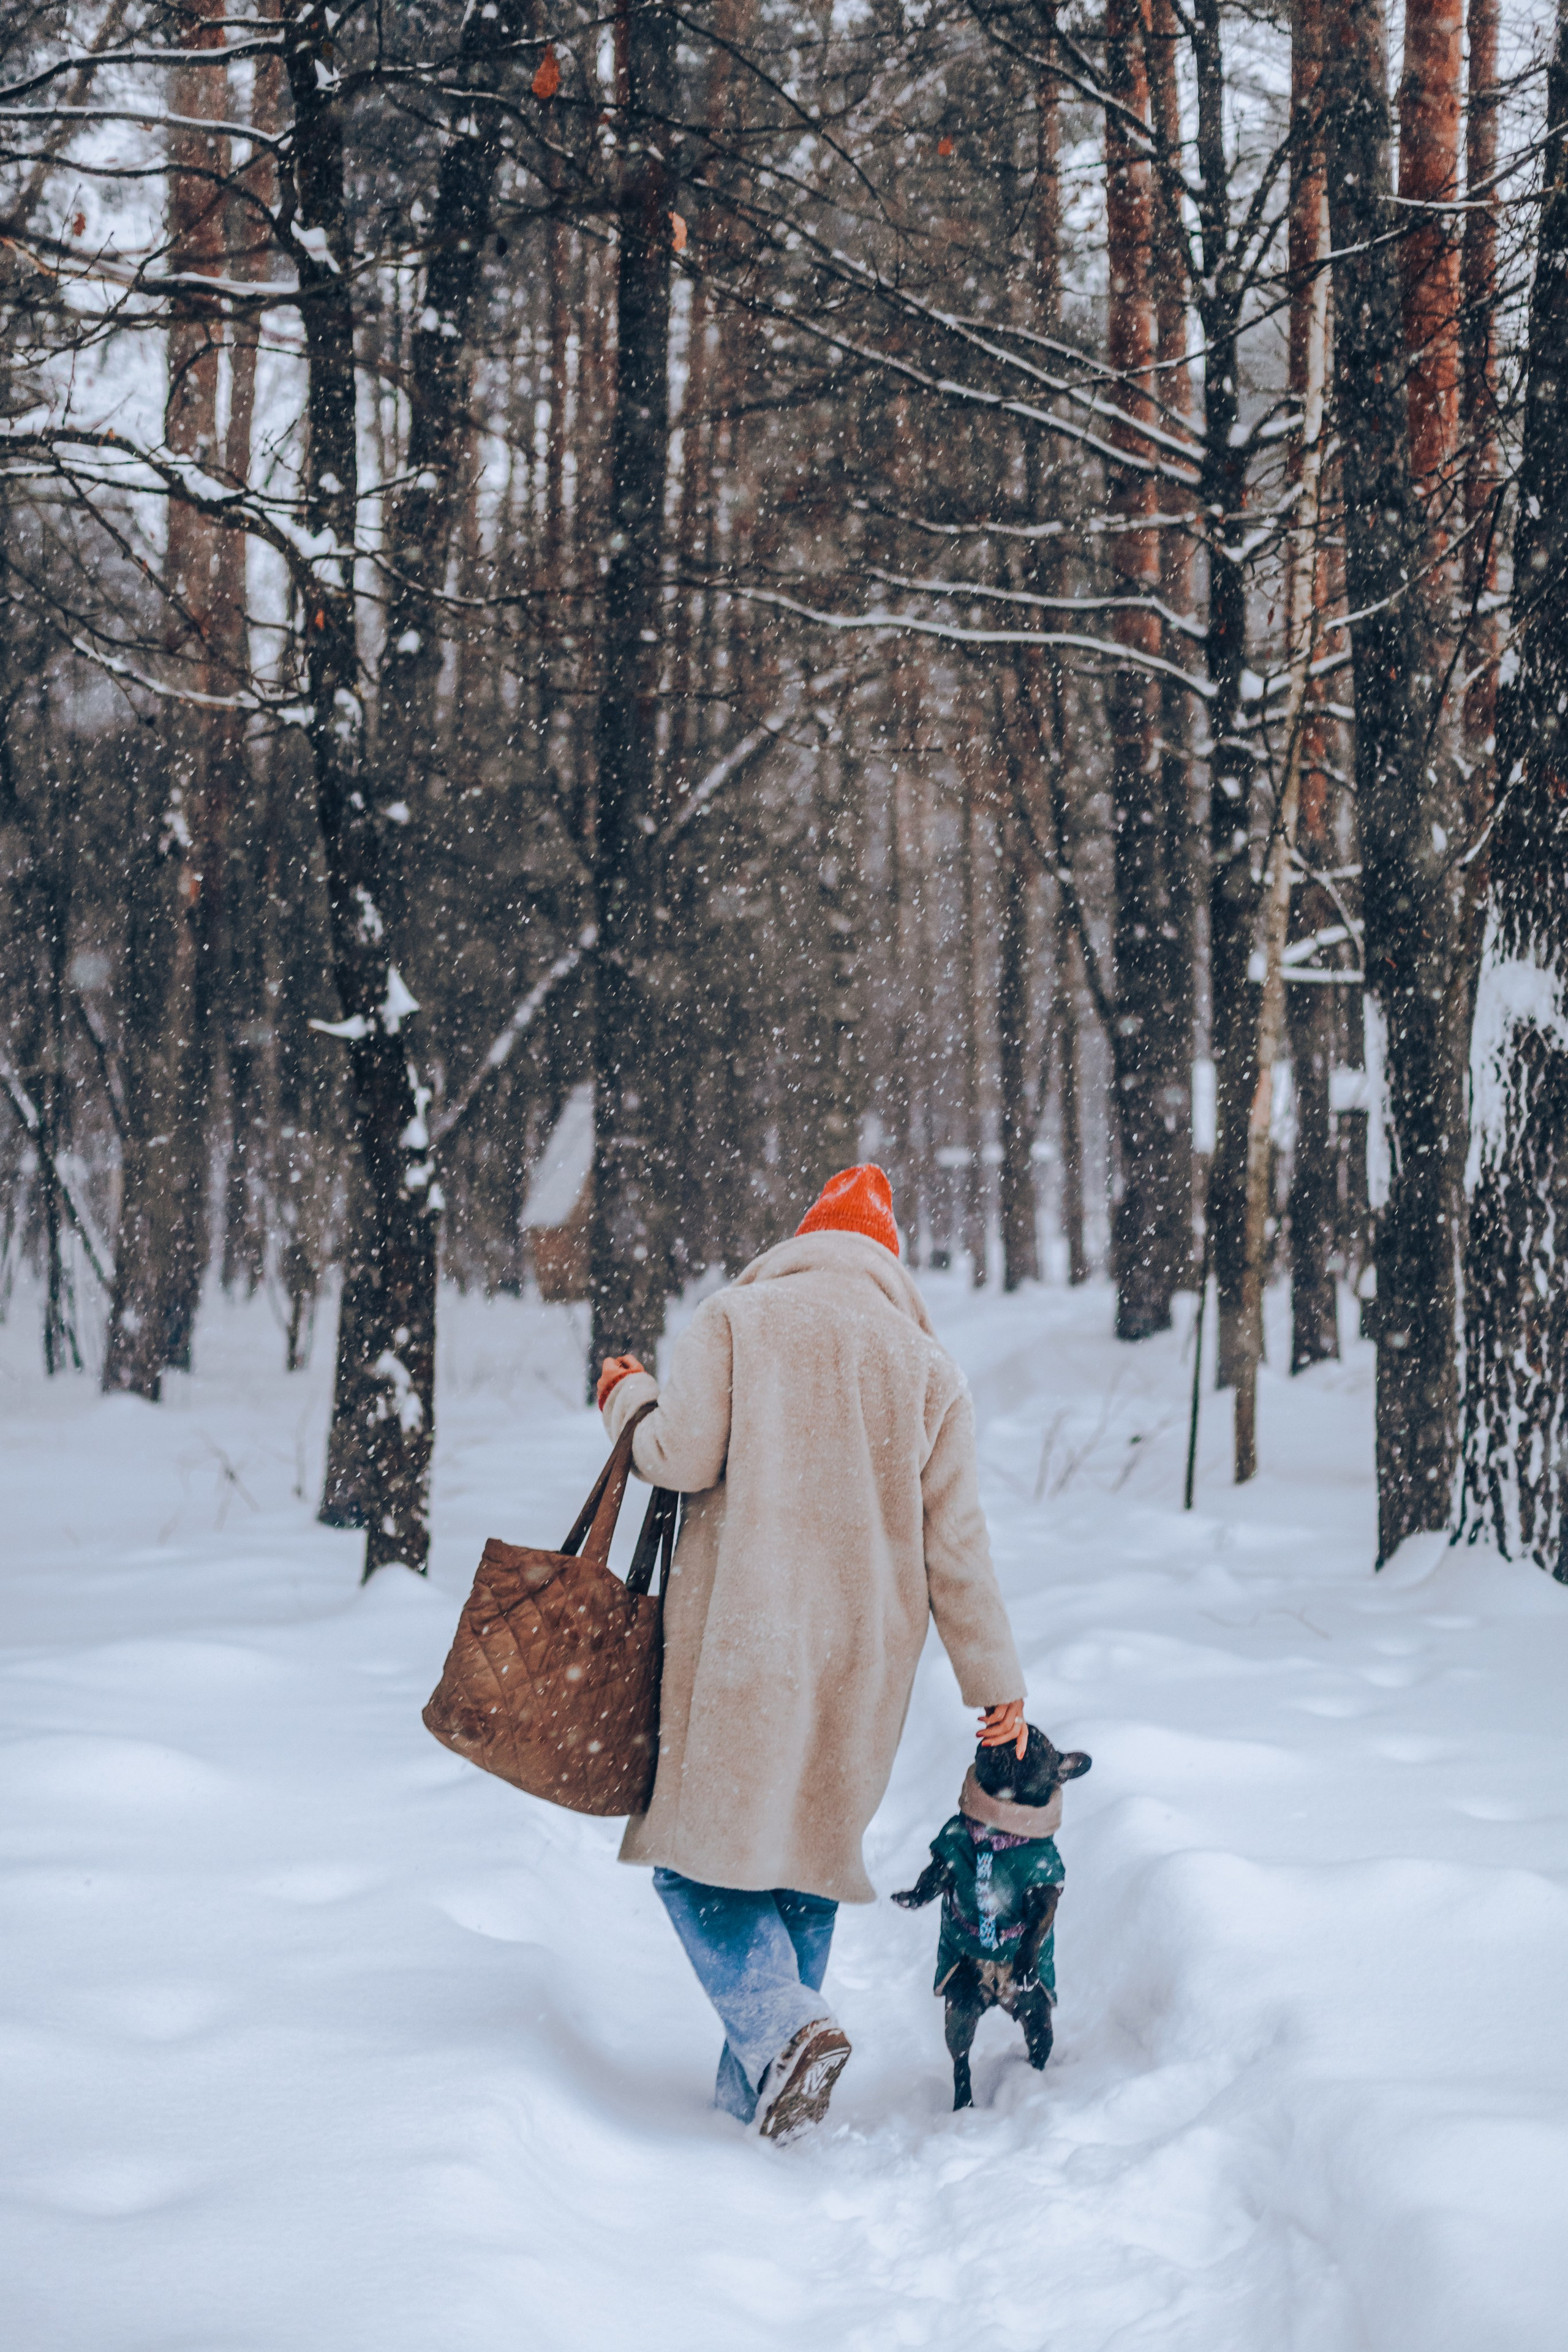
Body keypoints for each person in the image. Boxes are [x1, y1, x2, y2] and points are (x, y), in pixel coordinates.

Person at [596, 1163, 1026, 2143]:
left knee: (695, 1865)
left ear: (802, 1241)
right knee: (806, 1863)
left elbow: (677, 1458)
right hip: (865, 1658)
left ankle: (787, 2026)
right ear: (886, 1262)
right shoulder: (928, 1368)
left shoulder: (738, 1320)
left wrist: (629, 1399)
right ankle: (758, 2109)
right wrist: (995, 1686)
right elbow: (957, 1548)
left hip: (746, 1636)